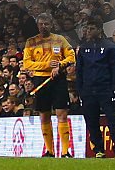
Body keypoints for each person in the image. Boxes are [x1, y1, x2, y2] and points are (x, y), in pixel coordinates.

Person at [23, 13, 76, 158]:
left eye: (46, 24)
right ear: (37, 25)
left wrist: (60, 65)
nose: (43, 26)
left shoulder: (60, 39)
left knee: (62, 114)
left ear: (51, 24)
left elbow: (71, 57)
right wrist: (46, 65)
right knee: (44, 115)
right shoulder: (31, 42)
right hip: (41, 81)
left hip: (58, 80)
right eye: (41, 24)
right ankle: (49, 150)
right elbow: (27, 63)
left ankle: (65, 151)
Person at [76, 19, 115, 158]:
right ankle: (98, 149)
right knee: (91, 121)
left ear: (99, 29)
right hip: (88, 90)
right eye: (87, 28)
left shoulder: (109, 47)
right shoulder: (83, 48)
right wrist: (80, 89)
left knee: (113, 119)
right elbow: (79, 70)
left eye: (92, 28)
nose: (89, 31)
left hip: (105, 89)